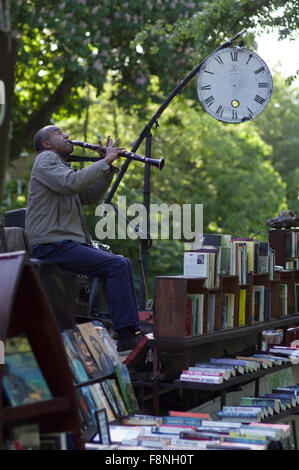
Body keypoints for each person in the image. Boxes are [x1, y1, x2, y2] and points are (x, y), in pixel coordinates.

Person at [25, 125, 141, 355]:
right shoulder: (46, 159)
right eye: (59, 133)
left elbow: (88, 196)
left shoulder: (59, 166)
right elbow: (73, 183)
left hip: (62, 243)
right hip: (51, 243)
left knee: (119, 264)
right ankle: (126, 335)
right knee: (118, 264)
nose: (66, 135)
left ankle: (122, 331)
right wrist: (105, 161)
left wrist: (106, 169)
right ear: (46, 144)